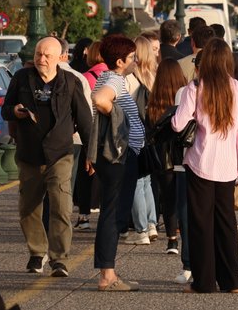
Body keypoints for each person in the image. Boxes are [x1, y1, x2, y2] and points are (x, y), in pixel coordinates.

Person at [2, 37, 93, 277]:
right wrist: (15, 111)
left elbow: (85, 121)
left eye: (47, 56)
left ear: (59, 58)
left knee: (61, 206)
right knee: (29, 207)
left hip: (60, 153)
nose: (41, 59)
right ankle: (36, 252)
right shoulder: (22, 78)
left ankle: (59, 258)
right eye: (38, 55)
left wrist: (91, 155)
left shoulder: (70, 82)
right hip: (29, 154)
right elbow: (5, 109)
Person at [171, 39, 238, 294]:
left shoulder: (196, 87)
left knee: (200, 224)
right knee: (226, 222)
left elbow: (178, 124)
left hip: (200, 161)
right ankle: (232, 281)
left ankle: (204, 282)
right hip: (228, 164)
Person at [87, 35, 143, 292]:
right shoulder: (114, 79)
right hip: (118, 157)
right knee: (111, 214)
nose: (135, 61)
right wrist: (116, 115)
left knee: (113, 213)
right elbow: (100, 99)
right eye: (132, 57)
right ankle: (107, 274)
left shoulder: (112, 78)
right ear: (120, 61)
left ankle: (108, 271)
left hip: (117, 156)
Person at [144, 59, 188, 264]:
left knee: (168, 198)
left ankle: (172, 240)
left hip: (162, 156)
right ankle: (186, 235)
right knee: (185, 199)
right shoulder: (184, 96)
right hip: (183, 154)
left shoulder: (153, 101)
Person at [56, 38, 95, 230]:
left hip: (69, 138)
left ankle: (57, 221)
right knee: (68, 183)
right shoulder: (78, 77)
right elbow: (87, 114)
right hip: (76, 140)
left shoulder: (75, 77)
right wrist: (90, 148)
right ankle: (63, 220)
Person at [124, 35, 158, 245]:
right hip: (150, 133)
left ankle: (141, 229)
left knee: (136, 181)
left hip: (133, 134)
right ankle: (152, 223)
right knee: (147, 181)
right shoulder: (153, 76)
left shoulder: (130, 78)